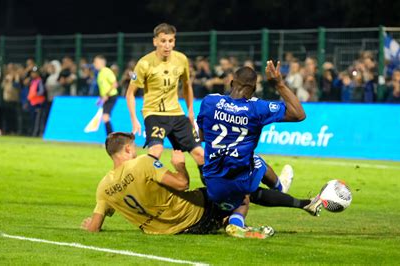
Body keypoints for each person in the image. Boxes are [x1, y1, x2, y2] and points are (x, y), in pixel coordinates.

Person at [81, 132, 317, 238]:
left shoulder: (103, 187)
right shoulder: (143, 163)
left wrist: (89, 225)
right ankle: (301, 203)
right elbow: (182, 184)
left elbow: (94, 227)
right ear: (128, 149)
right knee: (243, 193)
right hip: (194, 215)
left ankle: (229, 221)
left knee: (223, 204)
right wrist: (179, 165)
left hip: (166, 232)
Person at [196, 61, 323, 236]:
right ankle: (280, 187)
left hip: (212, 179)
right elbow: (299, 114)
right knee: (255, 163)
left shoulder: (209, 102)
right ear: (254, 88)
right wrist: (278, 83)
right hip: (238, 181)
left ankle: (236, 223)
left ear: (232, 83)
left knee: (244, 197)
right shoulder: (257, 108)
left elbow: (202, 137)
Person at [126, 23, 205, 184]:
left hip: (176, 114)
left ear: (174, 41)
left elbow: (187, 86)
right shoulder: (144, 63)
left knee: (200, 154)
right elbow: (130, 94)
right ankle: (143, 186)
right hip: (154, 114)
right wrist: (134, 119)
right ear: (155, 41)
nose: (167, 45)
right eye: (163, 41)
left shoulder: (181, 59)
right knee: (156, 151)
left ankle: (214, 192)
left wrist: (190, 110)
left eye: (170, 41)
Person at [94, 55, 118, 136]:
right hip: (106, 98)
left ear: (101, 63)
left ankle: (112, 139)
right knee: (105, 118)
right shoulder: (99, 73)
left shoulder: (107, 71)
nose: (94, 64)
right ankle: (111, 139)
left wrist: (106, 95)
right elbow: (103, 88)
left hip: (111, 97)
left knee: (105, 117)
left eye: (96, 62)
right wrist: (100, 98)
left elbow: (115, 84)